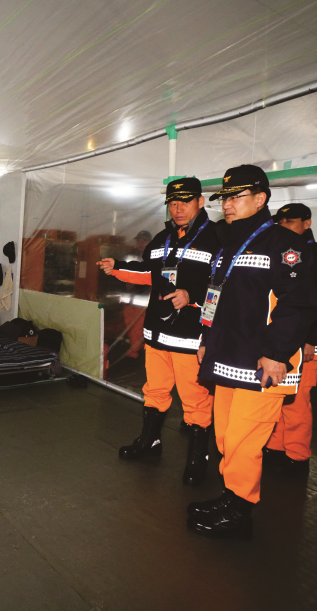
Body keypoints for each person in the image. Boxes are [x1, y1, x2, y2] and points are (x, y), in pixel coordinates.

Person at [188, 165, 317, 538]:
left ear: (261, 199)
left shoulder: (284, 245)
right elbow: (216, 297)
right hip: (228, 356)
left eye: (236, 197)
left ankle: (240, 512)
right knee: (227, 437)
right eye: (225, 198)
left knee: (245, 440)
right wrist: (205, 340)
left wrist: (277, 354)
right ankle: (231, 496)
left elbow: (297, 306)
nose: (228, 204)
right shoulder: (229, 244)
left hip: (263, 363)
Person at [98, 177, 220, 485]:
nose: (178, 209)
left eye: (185, 202)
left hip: (191, 336)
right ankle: (149, 441)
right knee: (154, 390)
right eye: (173, 203)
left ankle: (198, 457)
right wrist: (117, 267)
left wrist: (192, 296)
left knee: (195, 398)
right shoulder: (163, 238)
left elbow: (224, 284)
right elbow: (147, 273)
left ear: (200, 201)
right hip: (156, 333)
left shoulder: (217, 238)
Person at [263, 203, 317, 476]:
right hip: (280, 337)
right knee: (276, 395)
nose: (284, 226)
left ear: (307, 223)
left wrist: (312, 338)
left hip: (307, 339)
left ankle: (297, 456)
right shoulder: (276, 251)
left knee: (297, 401)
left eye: (290, 221)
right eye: (280, 222)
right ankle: (275, 448)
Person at [120, 230, 152, 359]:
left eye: (144, 241)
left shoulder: (154, 257)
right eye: (139, 240)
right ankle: (136, 350)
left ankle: (134, 353)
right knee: (130, 325)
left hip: (142, 299)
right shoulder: (130, 255)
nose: (141, 243)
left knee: (138, 326)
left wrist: (136, 286)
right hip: (128, 298)